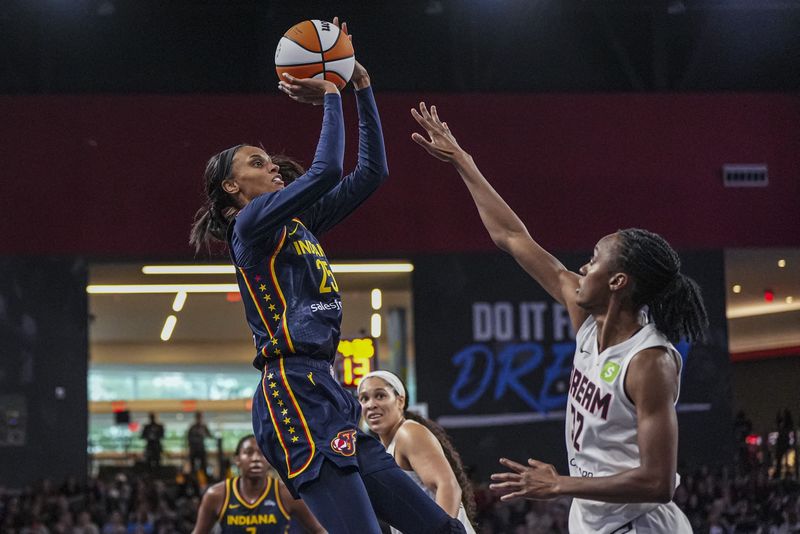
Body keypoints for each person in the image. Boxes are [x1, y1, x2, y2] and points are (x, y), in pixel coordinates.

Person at [189, 19, 465, 534]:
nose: (272, 167)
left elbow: (371, 174)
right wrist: (332, 92)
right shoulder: (249, 226)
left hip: (327, 389)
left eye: (271, 160)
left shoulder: (296, 224)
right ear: (231, 187)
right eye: (257, 162)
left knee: (440, 529)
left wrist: (360, 85)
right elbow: (326, 172)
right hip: (290, 393)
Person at [410, 102, 709, 533]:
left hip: (639, 524)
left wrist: (559, 485)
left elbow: (658, 482)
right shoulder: (587, 320)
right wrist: (463, 161)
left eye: (594, 260)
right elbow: (512, 237)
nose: (583, 267)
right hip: (593, 519)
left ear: (618, 281)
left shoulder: (649, 361)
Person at [357, 370, 477, 533]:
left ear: (400, 401)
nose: (371, 404)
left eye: (380, 396)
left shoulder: (408, 433)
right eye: (364, 398)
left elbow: (448, 486)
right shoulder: (387, 448)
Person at [192, 435, 324, 534]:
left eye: (261, 453)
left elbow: (320, 531)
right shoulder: (216, 495)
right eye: (248, 452)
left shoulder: (286, 493)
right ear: (237, 460)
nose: (255, 458)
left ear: (269, 460)